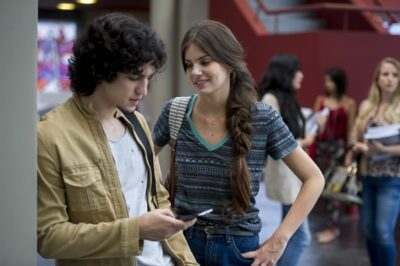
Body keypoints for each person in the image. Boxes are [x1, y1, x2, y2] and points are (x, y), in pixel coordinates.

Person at [152, 20, 324, 266]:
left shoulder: (262, 117)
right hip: (181, 243)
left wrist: (279, 241)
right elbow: (143, 157)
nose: (195, 72)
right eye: (188, 65)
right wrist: (159, 199)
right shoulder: (175, 111)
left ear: (229, 61)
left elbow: (314, 178)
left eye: (205, 61)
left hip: (237, 248)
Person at [37, 13, 198, 266]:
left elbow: (158, 197)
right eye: (134, 78)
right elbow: (49, 237)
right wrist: (135, 230)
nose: (143, 90)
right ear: (100, 70)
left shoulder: (138, 122)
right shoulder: (50, 135)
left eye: (148, 78)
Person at [258, 54, 314, 266]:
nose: (301, 75)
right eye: (297, 70)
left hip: (295, 174)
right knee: (300, 237)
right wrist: (302, 141)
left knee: (292, 233)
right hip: (286, 174)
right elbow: (272, 141)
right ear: (286, 74)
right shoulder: (271, 99)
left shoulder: (287, 99)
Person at [346, 57, 400, 266]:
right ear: (377, 78)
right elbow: (354, 136)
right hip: (366, 177)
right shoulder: (367, 106)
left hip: (392, 178)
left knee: (383, 231)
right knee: (368, 231)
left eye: (395, 75)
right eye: (385, 74)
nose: (390, 79)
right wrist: (356, 146)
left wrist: (383, 149)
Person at [310, 67, 357, 243]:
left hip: (338, 150)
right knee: (319, 188)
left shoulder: (348, 103)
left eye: (330, 80)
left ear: (338, 82)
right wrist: (320, 124)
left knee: (335, 190)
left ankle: (332, 228)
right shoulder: (320, 100)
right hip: (322, 150)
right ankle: (326, 225)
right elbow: (315, 130)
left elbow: (351, 130)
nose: (327, 84)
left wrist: (349, 154)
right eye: (326, 81)